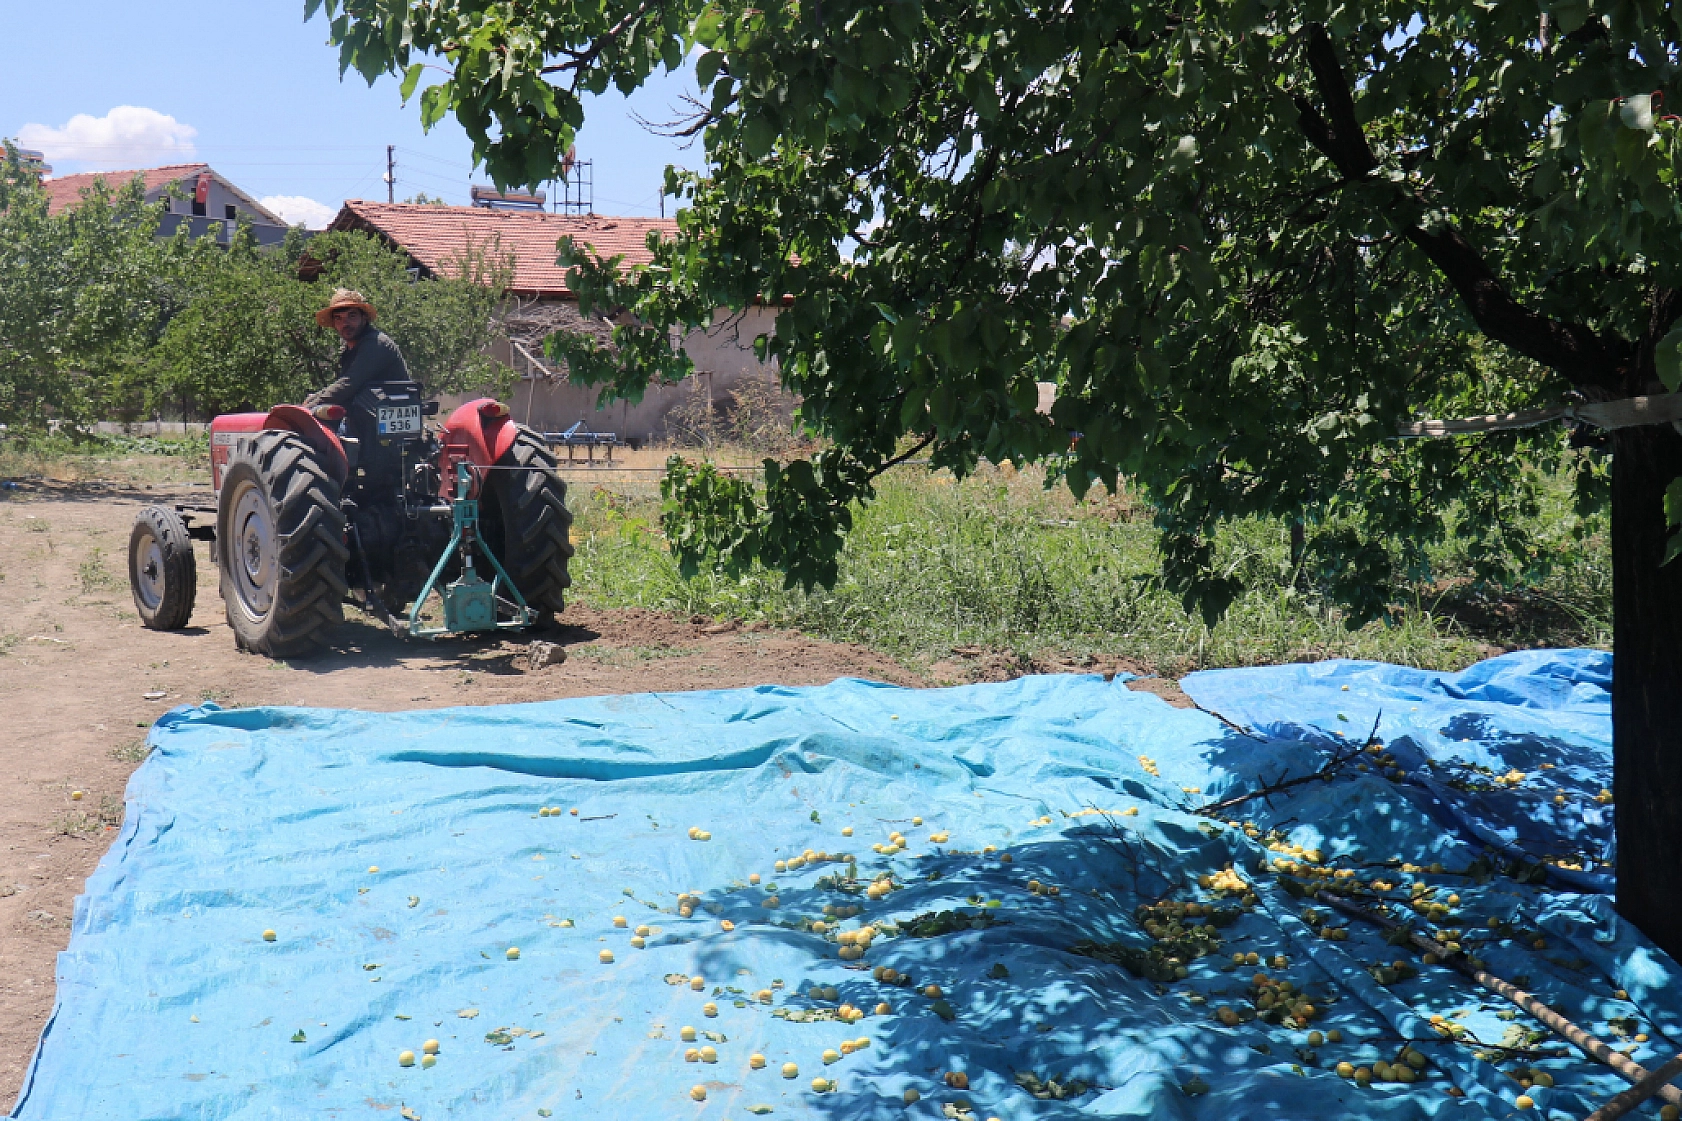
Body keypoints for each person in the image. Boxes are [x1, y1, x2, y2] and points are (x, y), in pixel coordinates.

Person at [304, 289, 411, 409]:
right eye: (338, 318)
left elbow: (349, 383)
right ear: (334, 323)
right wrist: (315, 398)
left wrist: (308, 408)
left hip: (389, 411)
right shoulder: (350, 348)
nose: (345, 323)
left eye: (352, 316)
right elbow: (343, 383)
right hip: (369, 411)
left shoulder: (375, 343)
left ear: (364, 318)